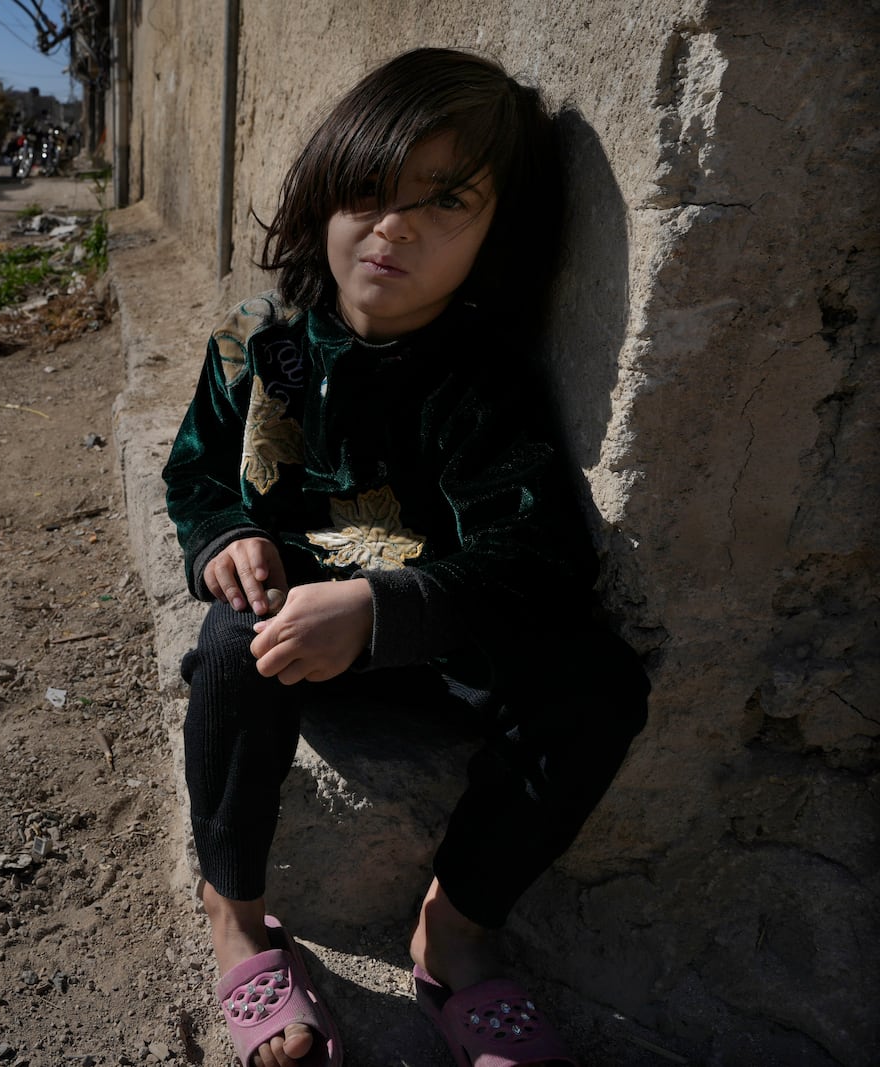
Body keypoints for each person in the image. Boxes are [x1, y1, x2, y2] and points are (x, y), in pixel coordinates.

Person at [162, 47, 649, 1067]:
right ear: (325, 191)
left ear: (495, 233)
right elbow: (197, 472)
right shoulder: (259, 339)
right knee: (225, 641)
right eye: (371, 190)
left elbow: (538, 548)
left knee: (598, 681)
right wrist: (227, 535)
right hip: (283, 644)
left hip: (430, 644)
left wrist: (385, 609)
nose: (394, 226)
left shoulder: (479, 378)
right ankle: (237, 918)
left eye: (445, 202)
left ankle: (455, 932)